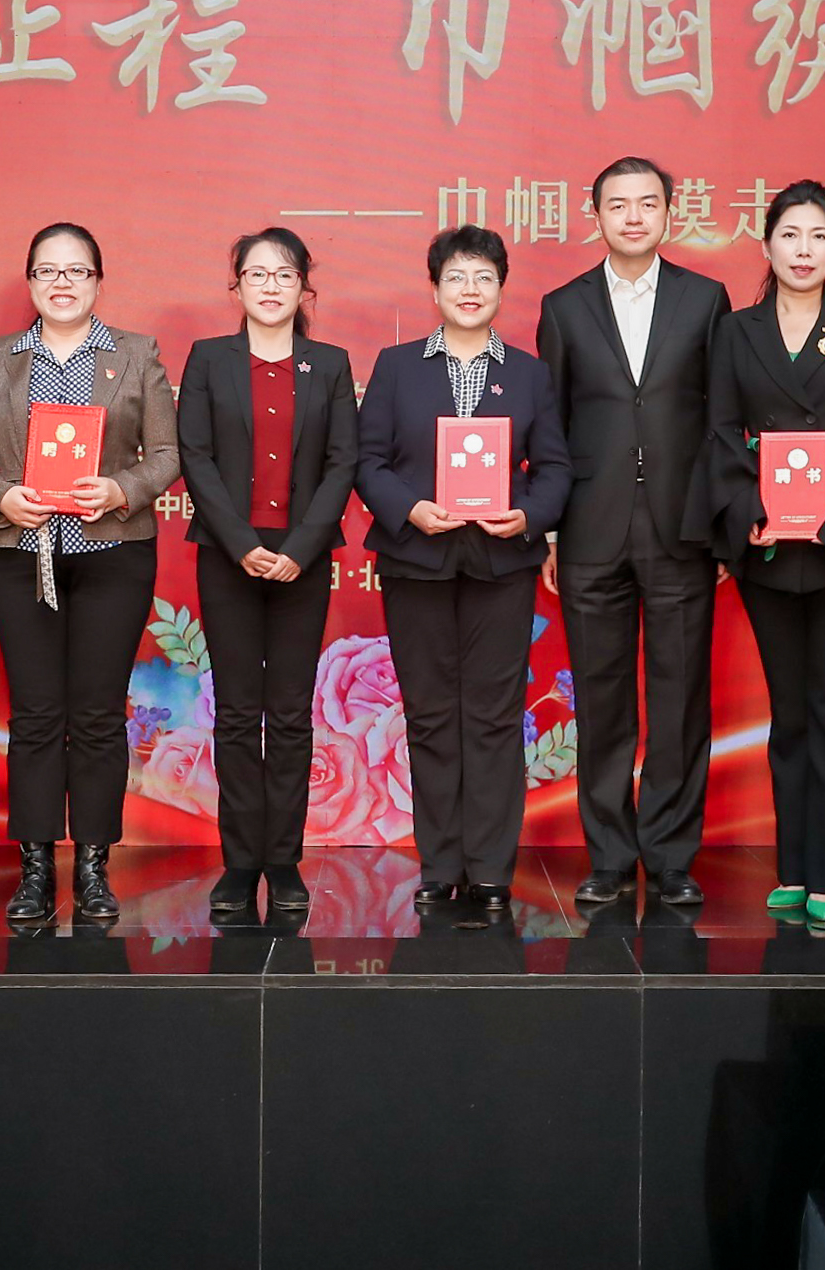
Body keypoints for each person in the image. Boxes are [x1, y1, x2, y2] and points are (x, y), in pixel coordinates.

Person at [692, 182, 825, 924]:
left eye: (819, 236)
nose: (804, 250)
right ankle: (793, 865)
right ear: (767, 245)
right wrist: (750, 515)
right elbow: (722, 430)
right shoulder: (736, 330)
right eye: (790, 235)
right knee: (788, 713)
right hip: (767, 547)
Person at [0, 224, 180, 925]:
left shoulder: (134, 353)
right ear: (29, 282)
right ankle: (33, 867)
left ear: (97, 282)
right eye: (47, 271)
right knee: (35, 715)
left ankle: (92, 865)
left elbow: (167, 453)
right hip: (23, 556)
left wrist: (119, 489)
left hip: (112, 556)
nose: (62, 283)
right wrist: (2, 497)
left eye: (77, 271)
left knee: (99, 715)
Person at [356, 226, 571, 913]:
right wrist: (409, 509)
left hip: (501, 562)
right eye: (455, 277)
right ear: (434, 288)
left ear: (501, 288)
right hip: (416, 559)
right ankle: (439, 864)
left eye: (483, 277)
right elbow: (367, 461)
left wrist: (528, 516)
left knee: (493, 716)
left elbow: (556, 467)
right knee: (428, 714)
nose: (469, 290)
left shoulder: (530, 373)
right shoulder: (397, 366)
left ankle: (489, 870)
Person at [536, 156, 730, 909]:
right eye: (618, 205)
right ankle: (611, 857)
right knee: (601, 698)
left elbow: (721, 422)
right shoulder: (563, 307)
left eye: (648, 203)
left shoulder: (704, 300)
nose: (633, 217)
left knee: (680, 699)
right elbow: (551, 430)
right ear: (596, 216)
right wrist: (553, 533)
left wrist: (718, 524)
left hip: (682, 528)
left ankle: (672, 855)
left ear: (668, 214)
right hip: (591, 527)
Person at [178, 228, 360, 919]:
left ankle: (282, 862)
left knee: (288, 714)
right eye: (256, 274)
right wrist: (238, 543)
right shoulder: (209, 359)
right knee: (234, 713)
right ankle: (238, 864)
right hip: (228, 555)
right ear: (237, 287)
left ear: (304, 287)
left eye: (284, 274)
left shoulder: (330, 364)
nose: (271, 286)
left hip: (301, 561)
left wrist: (302, 547)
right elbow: (195, 455)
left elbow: (342, 463)